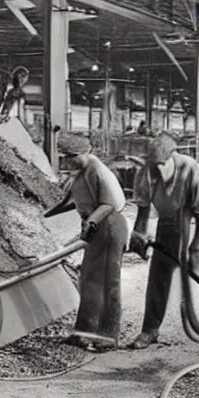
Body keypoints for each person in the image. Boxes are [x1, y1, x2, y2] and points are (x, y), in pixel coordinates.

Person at [128, 132, 199, 349]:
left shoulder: (190, 168)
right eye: (152, 166)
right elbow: (143, 210)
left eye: (160, 165)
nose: (156, 170)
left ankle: (197, 321)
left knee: (188, 278)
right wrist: (139, 238)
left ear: (172, 157)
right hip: (165, 225)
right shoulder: (147, 172)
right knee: (158, 276)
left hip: (184, 220)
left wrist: (196, 247)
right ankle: (149, 330)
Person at [45, 135, 129, 351]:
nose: (69, 161)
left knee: (108, 283)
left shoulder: (98, 170)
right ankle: (83, 332)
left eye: (73, 157)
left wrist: (91, 221)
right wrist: (43, 213)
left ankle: (107, 338)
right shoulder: (80, 173)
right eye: (66, 157)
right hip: (94, 227)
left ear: (85, 153)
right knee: (89, 281)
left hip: (109, 226)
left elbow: (111, 204)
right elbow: (67, 202)